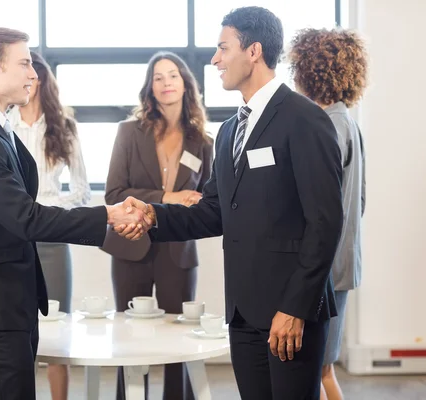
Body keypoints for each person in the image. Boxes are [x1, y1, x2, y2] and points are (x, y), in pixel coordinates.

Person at [116, 7, 344, 400]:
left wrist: (296, 308)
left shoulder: (304, 119)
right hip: (242, 313)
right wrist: (155, 216)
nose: (215, 59)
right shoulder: (228, 132)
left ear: (253, 51)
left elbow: (325, 223)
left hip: (290, 315)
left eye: (223, 48)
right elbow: (215, 211)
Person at [0, 27, 148, 400]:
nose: (34, 74)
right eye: (25, 64)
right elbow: (26, 218)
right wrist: (108, 216)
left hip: (6, 297)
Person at [103, 51, 213, 400]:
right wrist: (168, 196)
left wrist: (190, 200)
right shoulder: (128, 132)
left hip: (178, 251)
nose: (166, 83)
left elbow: (205, 201)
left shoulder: (203, 141)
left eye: (173, 76)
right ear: (150, 88)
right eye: (159, 77)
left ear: (186, 84)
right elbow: (115, 193)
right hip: (129, 246)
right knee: (129, 338)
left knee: (178, 340)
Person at [289, 28, 368, 400]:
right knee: (323, 368)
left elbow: (317, 206)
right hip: (343, 266)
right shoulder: (348, 122)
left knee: (315, 371)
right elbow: (360, 202)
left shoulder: (326, 127)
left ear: (309, 71)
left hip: (324, 271)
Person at [7, 51, 89, 400]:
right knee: (14, 329)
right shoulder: (3, 123)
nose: (27, 79)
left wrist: (49, 211)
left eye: (31, 72)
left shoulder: (64, 126)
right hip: (13, 237)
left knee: (58, 328)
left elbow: (82, 192)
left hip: (53, 239)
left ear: (41, 79)